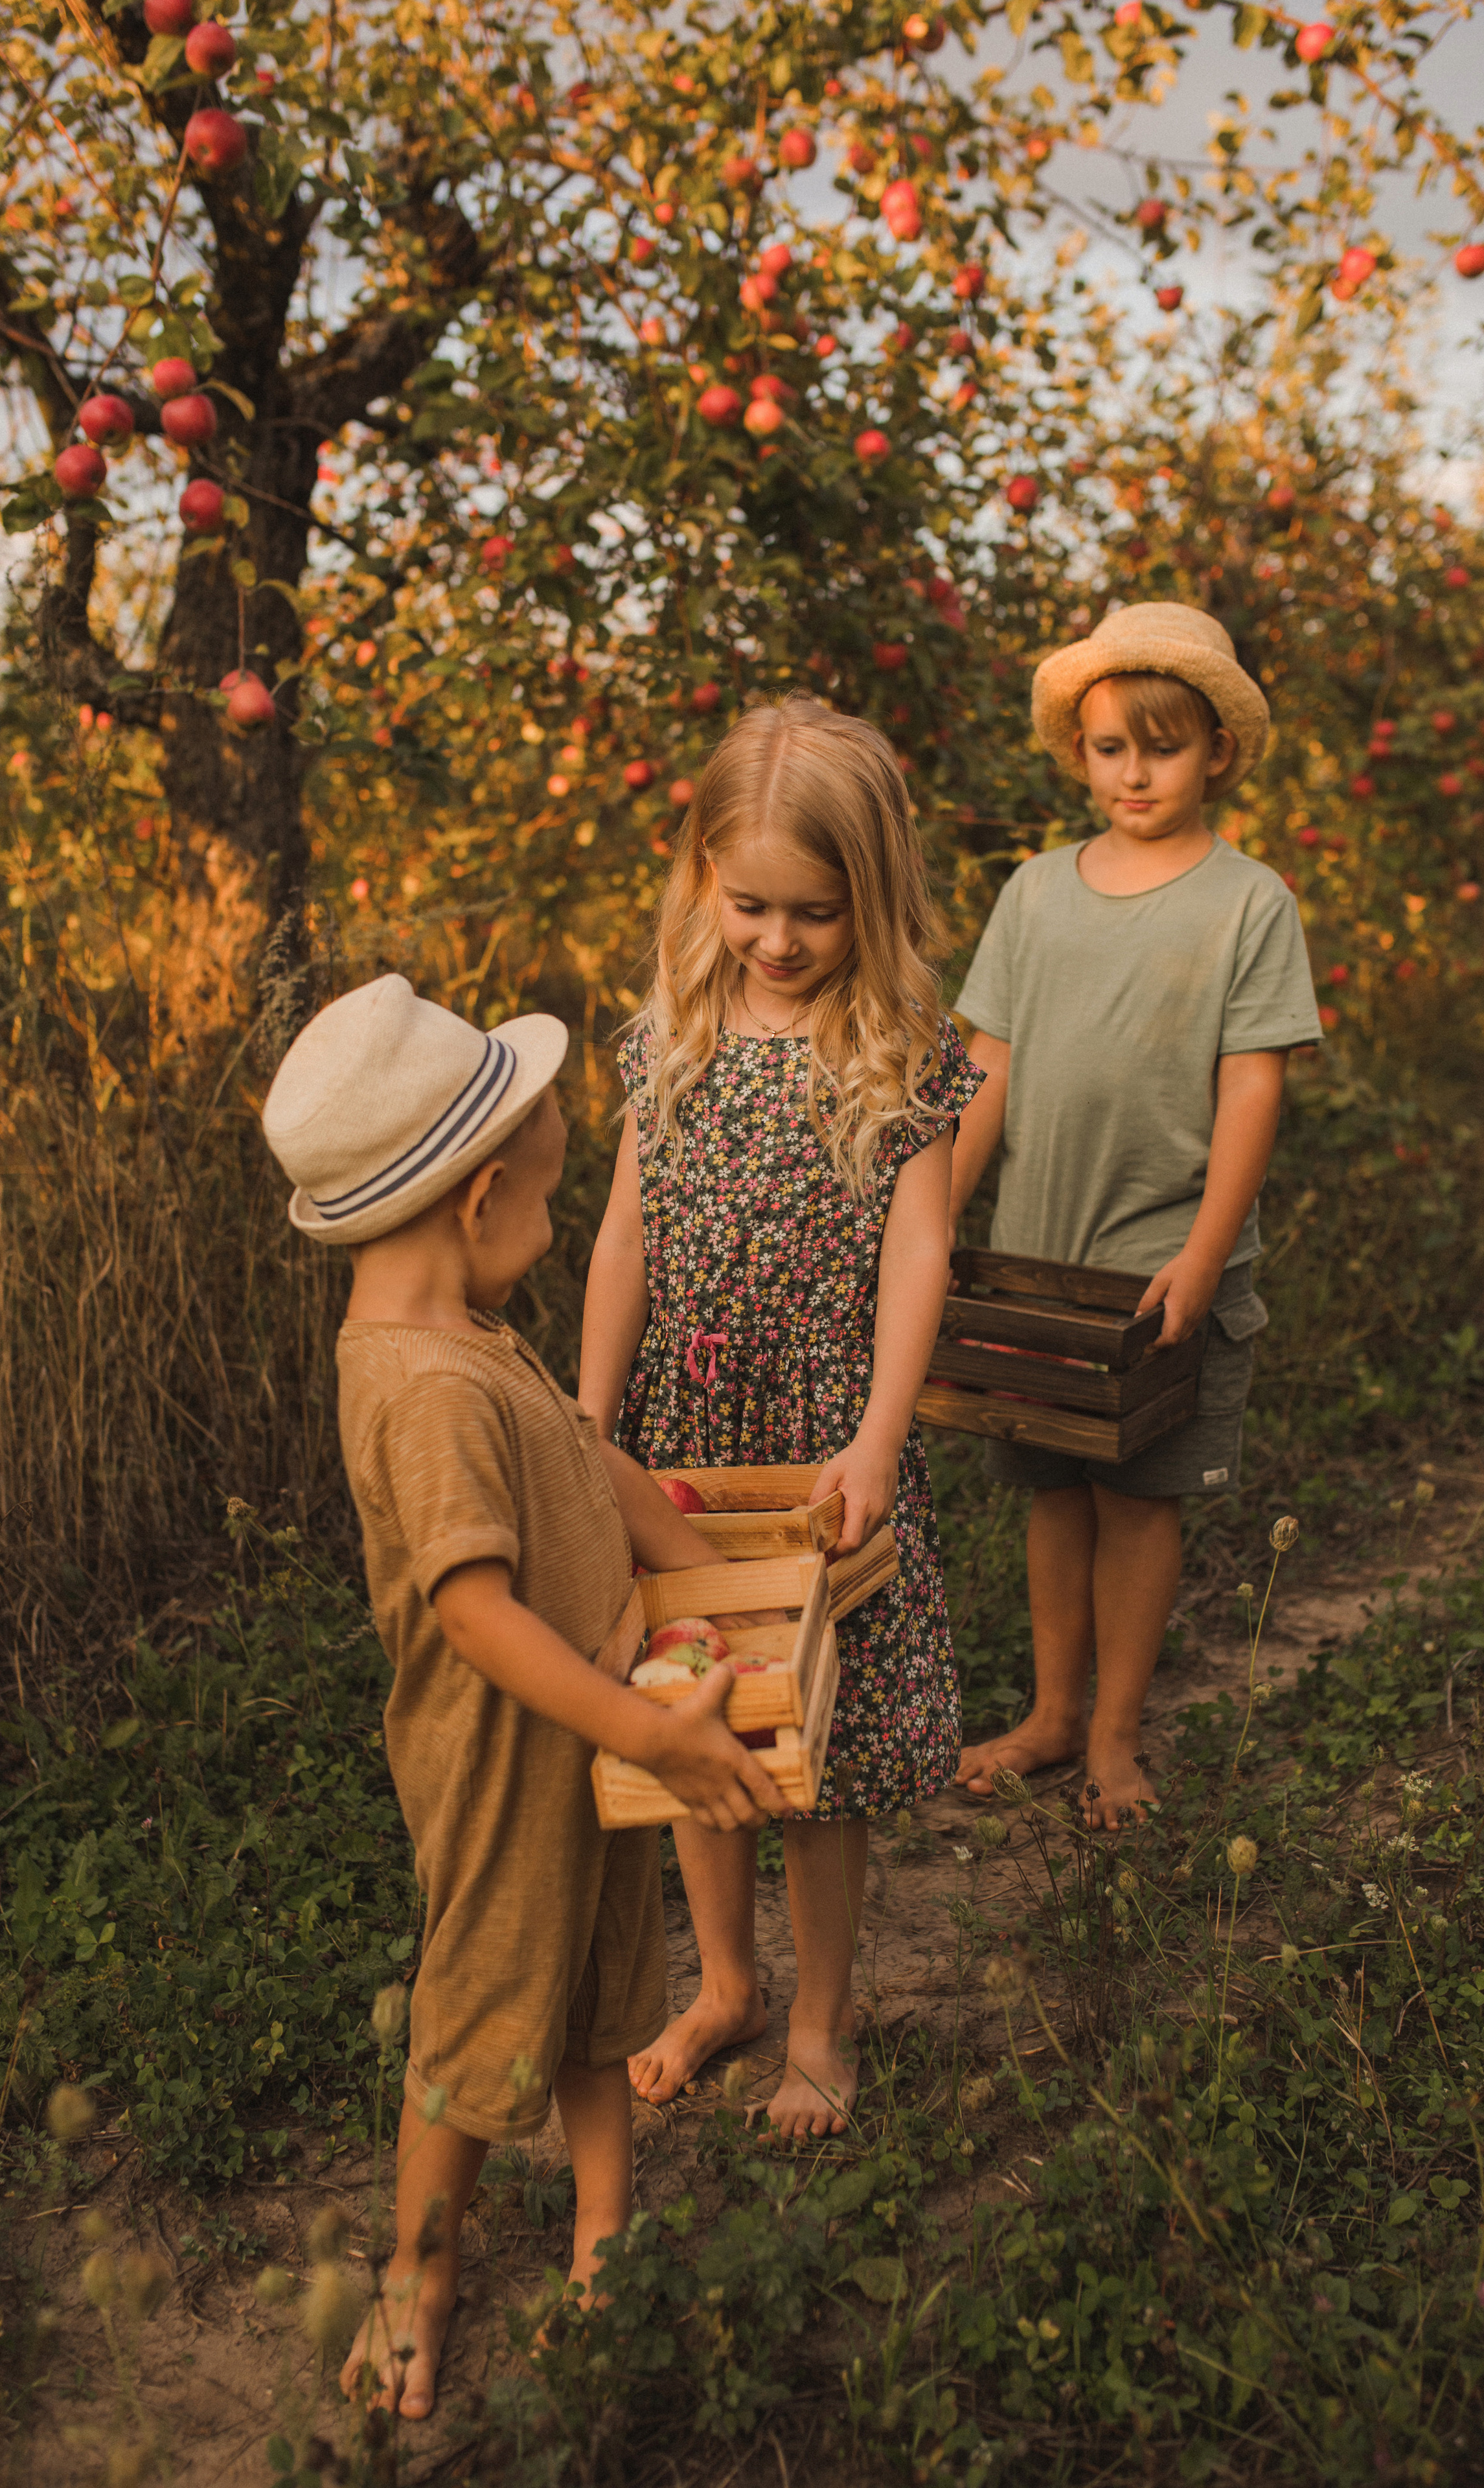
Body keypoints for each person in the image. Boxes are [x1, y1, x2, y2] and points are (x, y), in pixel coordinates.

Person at [260, 975, 789, 2419]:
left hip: (593, 1739)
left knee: (599, 1998)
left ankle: (603, 2240)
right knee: (477, 2020)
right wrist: (637, 1725)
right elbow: (470, 1611)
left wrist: (718, 1580)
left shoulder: (472, 1341)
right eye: (552, 1204)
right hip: (506, 1766)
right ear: (477, 1198)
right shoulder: (422, 1390)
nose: (552, 1235)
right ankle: (415, 2274)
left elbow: (579, 1447)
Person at [578, 697, 982, 2141]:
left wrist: (877, 1435)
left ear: (866, 895)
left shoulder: (900, 1043)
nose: (776, 942)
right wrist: (587, 1414)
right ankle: (724, 1984)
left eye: (812, 912)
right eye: (746, 904)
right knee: (694, 1710)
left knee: (822, 1743)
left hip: (819, 1443)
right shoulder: (668, 1031)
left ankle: (818, 2016)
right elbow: (625, 1230)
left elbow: (919, 1247)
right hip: (682, 1442)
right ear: (700, 878)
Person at [947, 603, 1321, 1826]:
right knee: (1052, 1489)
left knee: (1135, 1496)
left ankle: (1115, 1736)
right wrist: (933, 1221)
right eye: (1110, 748)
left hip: (1157, 1257)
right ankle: (1054, 1713)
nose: (1134, 772)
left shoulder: (1246, 901)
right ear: (1079, 753)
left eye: (1161, 747)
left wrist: (1206, 1253)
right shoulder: (1037, 894)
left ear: (1216, 748)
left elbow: (1252, 1085)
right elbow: (989, 1068)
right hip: (1034, 1257)